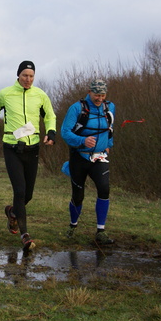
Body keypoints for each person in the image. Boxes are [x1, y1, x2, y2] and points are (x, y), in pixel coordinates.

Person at [0, 60, 56, 251]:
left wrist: (51, 132)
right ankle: (25, 235)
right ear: (18, 75)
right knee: (19, 190)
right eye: (25, 75)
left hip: (33, 148)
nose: (28, 79)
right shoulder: (5, 94)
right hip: (12, 147)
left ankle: (12, 212)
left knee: (28, 194)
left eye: (31, 76)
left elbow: (50, 115)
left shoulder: (40, 95)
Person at [60, 79, 115, 244]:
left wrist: (109, 145)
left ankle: (100, 231)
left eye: (102, 95)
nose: (99, 98)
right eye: (96, 94)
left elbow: (111, 128)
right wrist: (82, 140)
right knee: (78, 196)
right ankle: (73, 225)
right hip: (79, 157)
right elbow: (65, 132)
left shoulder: (109, 107)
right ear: (89, 92)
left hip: (99, 157)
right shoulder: (77, 108)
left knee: (104, 189)